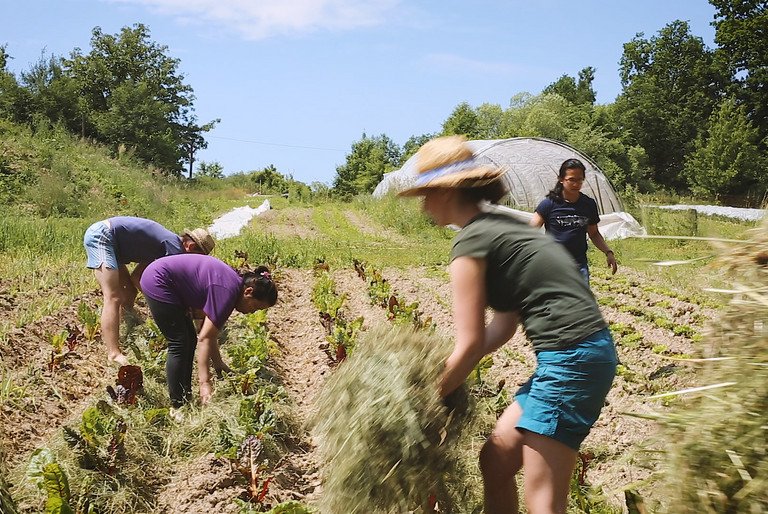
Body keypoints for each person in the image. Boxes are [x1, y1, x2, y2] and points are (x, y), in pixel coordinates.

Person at [398, 136, 617, 514]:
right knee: (496, 461)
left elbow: (469, 345)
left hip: (570, 360)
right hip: (578, 355)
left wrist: (424, 403)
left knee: (544, 502)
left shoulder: (471, 243)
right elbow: (501, 328)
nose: (423, 203)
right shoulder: (501, 227)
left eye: (427, 193)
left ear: (447, 192)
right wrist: (445, 374)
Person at [139, 253, 277, 409]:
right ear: (248, 292)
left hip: (164, 279)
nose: (252, 313)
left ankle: (185, 396)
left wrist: (218, 364)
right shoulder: (227, 292)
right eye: (256, 307)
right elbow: (205, 338)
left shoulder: (232, 285)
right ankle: (177, 405)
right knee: (179, 342)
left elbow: (208, 334)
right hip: (159, 280)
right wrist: (205, 384)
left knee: (189, 339)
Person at [84, 216, 216, 366]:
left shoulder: (163, 246)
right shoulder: (174, 249)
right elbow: (177, 290)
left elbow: (138, 277)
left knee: (129, 294)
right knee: (113, 296)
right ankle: (113, 353)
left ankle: (125, 327)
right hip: (102, 236)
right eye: (198, 258)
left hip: (115, 245)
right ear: (191, 247)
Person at [530, 158, 617, 283]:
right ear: (561, 179)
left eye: (580, 180)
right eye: (571, 180)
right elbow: (530, 230)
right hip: (553, 266)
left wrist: (608, 252)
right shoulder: (549, 204)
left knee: (580, 301)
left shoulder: (588, 204)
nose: (576, 184)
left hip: (578, 265)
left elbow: (594, 233)